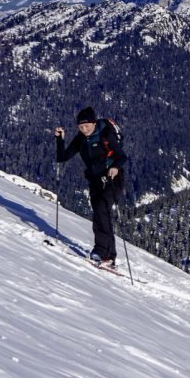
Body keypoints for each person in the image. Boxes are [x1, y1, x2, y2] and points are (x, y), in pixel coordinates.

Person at [54, 107, 127, 267]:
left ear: (94, 123)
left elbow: (122, 156)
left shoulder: (106, 135)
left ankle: (102, 252)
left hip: (113, 178)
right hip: (95, 180)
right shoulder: (80, 139)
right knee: (100, 215)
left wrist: (115, 167)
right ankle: (109, 256)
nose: (84, 129)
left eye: (87, 126)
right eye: (81, 127)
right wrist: (60, 140)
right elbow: (62, 157)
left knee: (102, 208)